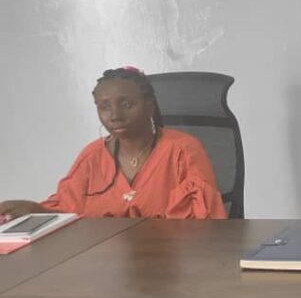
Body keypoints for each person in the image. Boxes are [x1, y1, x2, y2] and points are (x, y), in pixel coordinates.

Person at [0, 67, 226, 221]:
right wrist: (34, 209)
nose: (115, 116)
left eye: (126, 104)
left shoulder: (182, 150)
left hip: (170, 263)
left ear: (150, 106)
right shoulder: (93, 155)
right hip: (105, 265)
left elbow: (201, 224)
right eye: (104, 107)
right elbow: (66, 209)